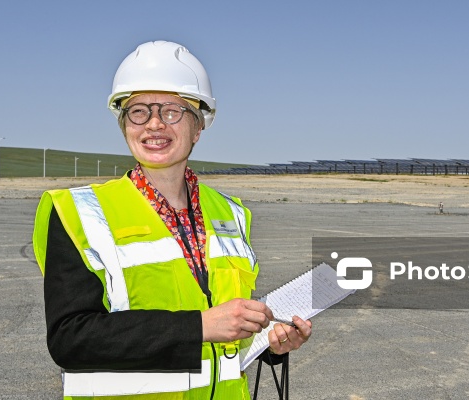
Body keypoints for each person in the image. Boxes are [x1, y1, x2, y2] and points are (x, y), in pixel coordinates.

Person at [33, 40, 312, 400]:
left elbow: (228, 337)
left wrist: (270, 343)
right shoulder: (79, 212)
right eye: (138, 111)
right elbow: (71, 338)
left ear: (198, 127)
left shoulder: (231, 213)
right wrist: (200, 326)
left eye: (172, 111)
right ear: (124, 124)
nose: (153, 124)